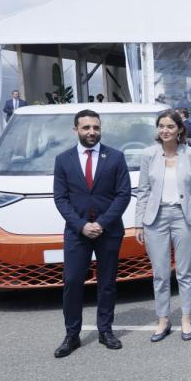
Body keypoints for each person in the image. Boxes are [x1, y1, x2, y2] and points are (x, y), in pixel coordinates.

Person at [51, 109, 132, 358]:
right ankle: (72, 335)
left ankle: (105, 331)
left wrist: (103, 223)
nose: (91, 132)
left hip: (108, 232)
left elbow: (123, 195)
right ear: (76, 129)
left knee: (106, 283)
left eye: (95, 127)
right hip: (77, 232)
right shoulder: (63, 160)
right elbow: (61, 198)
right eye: (86, 127)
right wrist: (81, 225)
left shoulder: (115, 158)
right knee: (73, 282)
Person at [134, 110, 191, 342]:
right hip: (155, 218)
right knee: (160, 274)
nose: (165, 130)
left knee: (185, 272)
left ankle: (186, 318)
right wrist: (138, 223)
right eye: (161, 126)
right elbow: (143, 191)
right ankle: (163, 319)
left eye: (170, 127)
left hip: (184, 217)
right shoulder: (148, 155)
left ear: (179, 130)